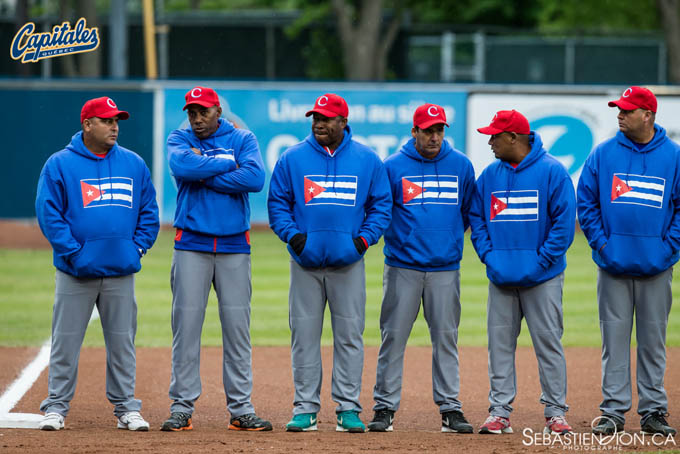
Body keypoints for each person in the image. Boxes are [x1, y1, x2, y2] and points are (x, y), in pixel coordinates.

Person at [267, 93, 392, 433]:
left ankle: (348, 408)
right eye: (315, 117)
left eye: (326, 118)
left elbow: (382, 206)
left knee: (349, 336)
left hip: (348, 264)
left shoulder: (367, 159)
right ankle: (305, 408)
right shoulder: (292, 158)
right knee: (304, 337)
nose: (319, 123)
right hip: (305, 264)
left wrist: (363, 240)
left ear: (343, 123)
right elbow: (277, 203)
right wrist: (293, 237)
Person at [35, 96, 160, 431]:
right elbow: (49, 213)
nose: (114, 126)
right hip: (75, 273)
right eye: (106, 120)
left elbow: (149, 212)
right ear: (87, 124)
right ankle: (56, 407)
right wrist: (73, 253)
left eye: (117, 120)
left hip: (120, 271)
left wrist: (137, 249)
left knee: (122, 344)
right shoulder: (60, 164)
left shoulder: (134, 164)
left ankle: (126, 409)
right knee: (65, 342)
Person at [161, 86, 271, 432]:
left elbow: (254, 178)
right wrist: (225, 165)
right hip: (191, 243)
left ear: (217, 112)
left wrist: (204, 169)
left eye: (203, 112)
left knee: (237, 332)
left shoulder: (243, 139)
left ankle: (241, 408)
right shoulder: (178, 139)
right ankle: (181, 406)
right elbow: (182, 166)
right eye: (192, 112)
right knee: (186, 330)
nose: (196, 118)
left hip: (234, 246)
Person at [367, 104, 475, 433]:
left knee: (446, 338)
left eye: (439, 130)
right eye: (427, 130)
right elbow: (381, 210)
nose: (434, 136)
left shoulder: (461, 165)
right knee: (393, 337)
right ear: (414, 132)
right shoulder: (393, 167)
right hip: (402, 267)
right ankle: (384, 407)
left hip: (445, 268)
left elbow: (468, 211)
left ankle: (450, 408)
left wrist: (448, 241)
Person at [577, 86, 679, 436]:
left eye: (627, 110)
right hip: (613, 266)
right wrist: (603, 246)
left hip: (656, 267)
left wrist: (668, 249)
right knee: (614, 343)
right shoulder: (603, 154)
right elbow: (586, 203)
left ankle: (653, 412)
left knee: (653, 343)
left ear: (647, 115)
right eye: (618, 109)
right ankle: (614, 412)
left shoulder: (674, 157)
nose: (619, 114)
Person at [470, 109, 575, 435]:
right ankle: (499, 412)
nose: (489, 141)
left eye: (494, 135)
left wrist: (541, 262)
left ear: (513, 138)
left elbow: (563, 225)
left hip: (542, 278)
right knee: (499, 346)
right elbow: (477, 220)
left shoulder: (552, 173)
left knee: (548, 345)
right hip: (501, 278)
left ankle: (556, 413)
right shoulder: (489, 176)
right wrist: (490, 257)